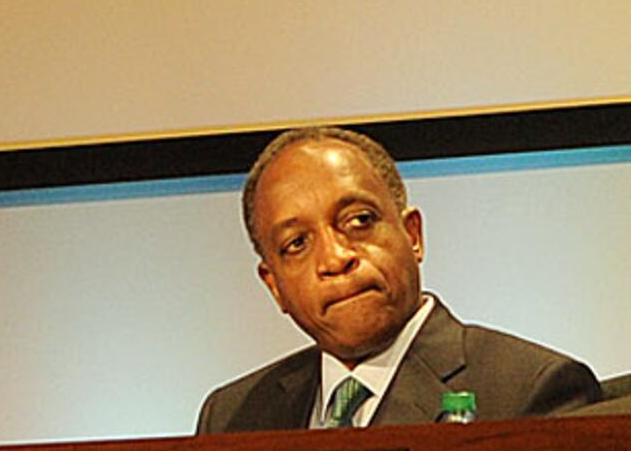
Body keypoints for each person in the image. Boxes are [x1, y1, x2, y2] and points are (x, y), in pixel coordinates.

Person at [196, 126, 598, 432]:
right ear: (274, 286)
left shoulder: (529, 391)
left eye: (359, 221)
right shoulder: (234, 417)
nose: (335, 258)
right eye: (297, 243)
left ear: (413, 235)